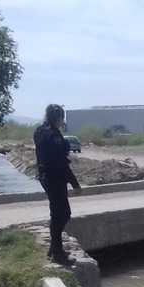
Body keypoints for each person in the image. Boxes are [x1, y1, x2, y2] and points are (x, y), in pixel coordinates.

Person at [34, 104, 82, 265]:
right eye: (62, 119)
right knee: (62, 214)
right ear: (59, 118)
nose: (63, 122)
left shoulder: (39, 131)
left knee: (58, 213)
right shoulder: (54, 136)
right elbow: (61, 163)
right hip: (55, 178)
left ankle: (55, 248)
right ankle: (57, 253)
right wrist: (75, 184)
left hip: (44, 176)